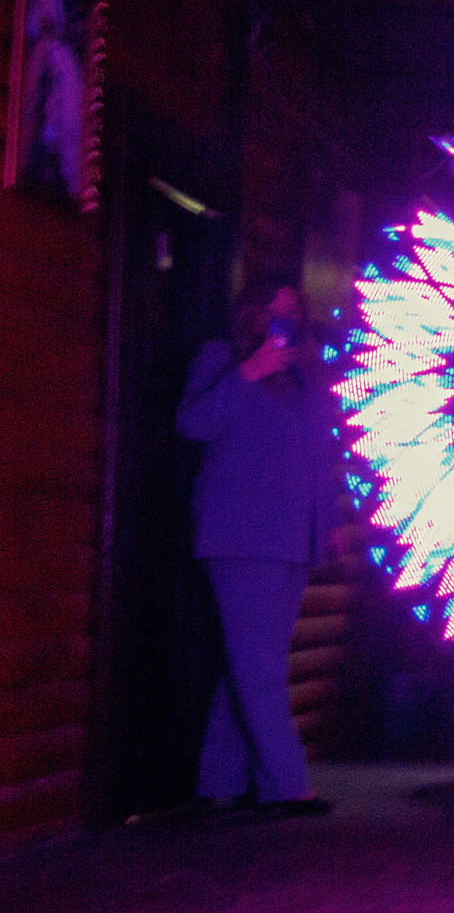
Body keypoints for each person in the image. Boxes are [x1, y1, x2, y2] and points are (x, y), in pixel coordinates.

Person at [177, 285, 341, 819]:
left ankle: (217, 779)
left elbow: (319, 460)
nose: (285, 320)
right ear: (251, 309)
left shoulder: (305, 379)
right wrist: (249, 373)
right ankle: (287, 785)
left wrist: (326, 526)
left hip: (291, 540)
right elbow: (191, 424)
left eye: (295, 311)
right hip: (239, 536)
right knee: (258, 663)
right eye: (275, 308)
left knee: (250, 664)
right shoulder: (223, 360)